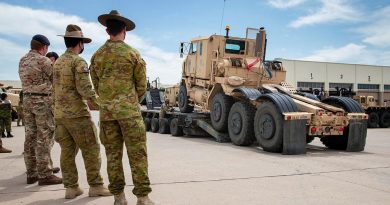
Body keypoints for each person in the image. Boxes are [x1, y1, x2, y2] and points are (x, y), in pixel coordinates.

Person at [90, 10, 154, 205]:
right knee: (138, 155)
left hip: (108, 115)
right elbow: (142, 86)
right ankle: (142, 197)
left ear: (107, 30)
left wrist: (109, 101)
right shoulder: (132, 54)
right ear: (124, 30)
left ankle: (118, 197)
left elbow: (96, 84)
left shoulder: (97, 56)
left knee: (112, 156)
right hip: (130, 114)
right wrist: (130, 101)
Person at [53, 24, 111, 199]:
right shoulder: (78, 62)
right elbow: (86, 90)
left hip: (60, 115)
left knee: (67, 152)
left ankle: (71, 188)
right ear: (80, 43)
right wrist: (104, 105)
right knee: (91, 149)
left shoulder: (57, 63)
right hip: (78, 115)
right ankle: (96, 186)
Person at [18, 34, 62, 185]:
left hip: (27, 101)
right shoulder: (44, 61)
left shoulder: (22, 60)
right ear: (44, 47)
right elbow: (56, 80)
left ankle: (32, 173)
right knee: (44, 137)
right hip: (42, 102)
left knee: (30, 136)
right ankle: (45, 174)